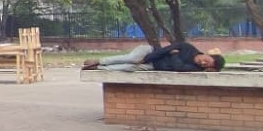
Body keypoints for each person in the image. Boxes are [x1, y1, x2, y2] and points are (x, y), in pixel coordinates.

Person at [82, 40, 224, 72]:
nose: (203, 63)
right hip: (149, 52)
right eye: (207, 60)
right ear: (208, 55)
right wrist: (146, 58)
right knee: (133, 59)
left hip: (153, 66)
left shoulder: (194, 68)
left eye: (207, 65)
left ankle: (98, 68)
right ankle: (100, 60)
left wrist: (175, 56)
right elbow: (164, 50)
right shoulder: (187, 47)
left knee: (129, 68)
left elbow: (179, 68)